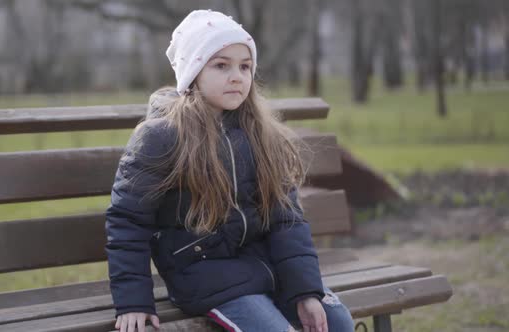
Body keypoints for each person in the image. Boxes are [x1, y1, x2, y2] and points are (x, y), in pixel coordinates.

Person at [105, 9, 355, 332]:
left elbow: (286, 219)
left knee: (337, 322)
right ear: (193, 72)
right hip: (203, 276)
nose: (237, 76)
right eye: (221, 65)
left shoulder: (261, 134)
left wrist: (304, 291)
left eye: (245, 66)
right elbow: (128, 221)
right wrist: (133, 301)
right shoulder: (163, 137)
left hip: (263, 267)